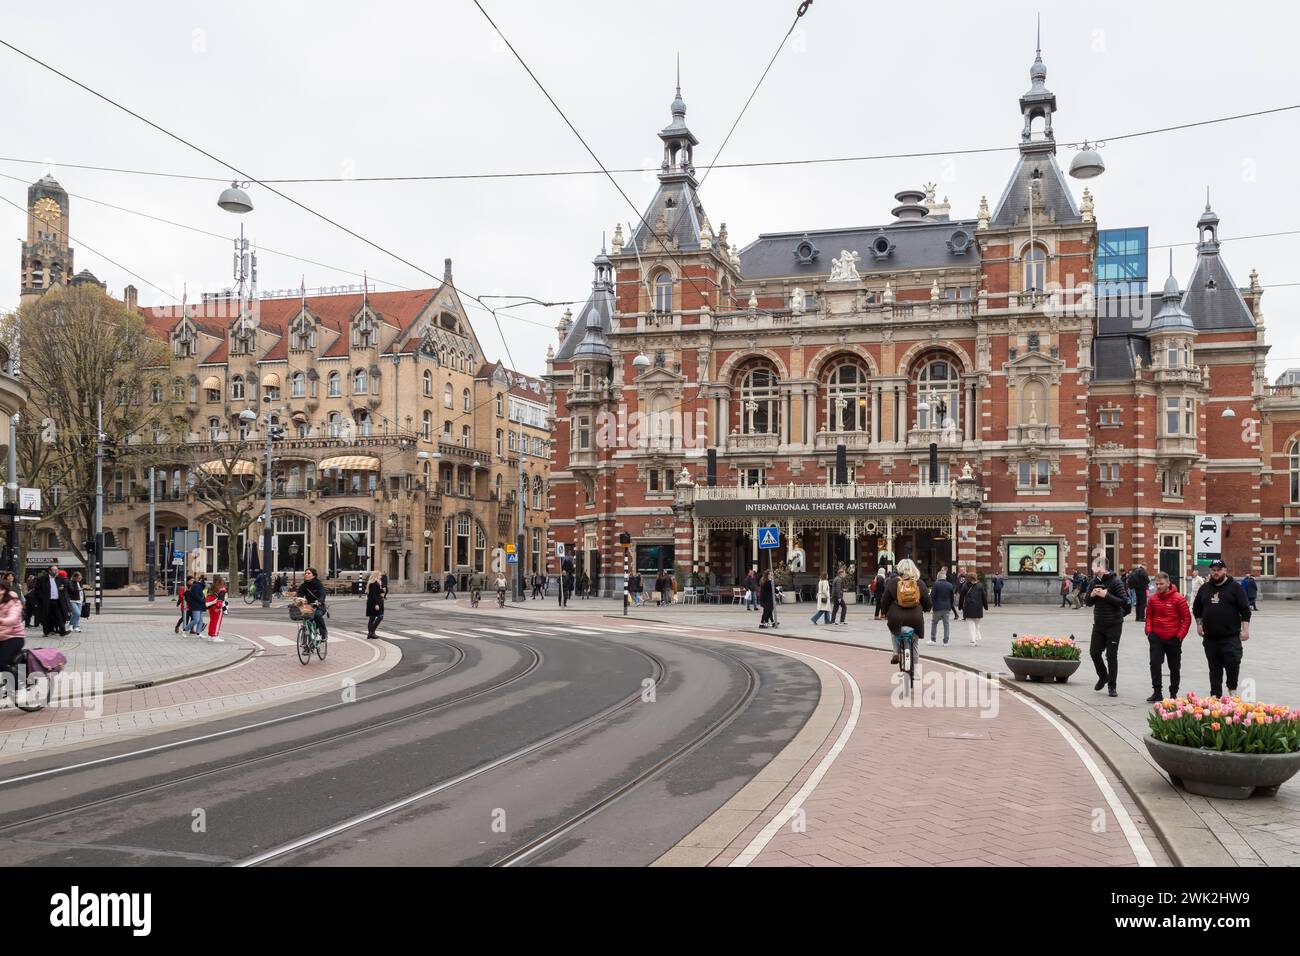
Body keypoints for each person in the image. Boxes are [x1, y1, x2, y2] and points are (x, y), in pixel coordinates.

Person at [1191, 559, 1251, 698]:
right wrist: (1199, 625)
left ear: (1225, 570)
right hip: (1211, 638)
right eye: (1213, 570)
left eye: (1219, 570)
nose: (1216, 572)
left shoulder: (1235, 587)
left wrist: (1245, 630)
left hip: (1230, 636)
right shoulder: (1204, 588)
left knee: (1233, 664)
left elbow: (1245, 610)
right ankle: (1215, 696)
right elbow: (1197, 608)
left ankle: (1232, 690)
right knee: (1214, 668)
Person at [1085, 558, 1131, 698]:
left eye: (1095, 566)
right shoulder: (1093, 582)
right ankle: (1103, 676)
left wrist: (1106, 595)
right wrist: (1092, 595)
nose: (1093, 568)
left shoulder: (1116, 581)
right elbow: (1087, 603)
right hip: (1098, 624)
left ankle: (1112, 686)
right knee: (1094, 652)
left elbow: (1124, 602)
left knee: (1111, 656)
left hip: (1114, 624)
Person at [1144, 571, 1190, 702]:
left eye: (1161, 584)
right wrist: (1149, 632)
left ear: (1168, 583)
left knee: (1174, 667)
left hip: (1173, 638)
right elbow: (1149, 617)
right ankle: (1157, 691)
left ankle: (1173, 693)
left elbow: (1186, 619)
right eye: (1156, 583)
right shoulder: (1153, 599)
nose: (1158, 586)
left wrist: (1179, 636)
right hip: (1156, 637)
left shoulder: (1178, 599)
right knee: (1154, 664)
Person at [878, 558, 932, 664]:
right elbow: (927, 602)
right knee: (915, 643)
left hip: (896, 618)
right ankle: (915, 671)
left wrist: (884, 612)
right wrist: (926, 608)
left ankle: (895, 653)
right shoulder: (919, 583)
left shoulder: (893, 582)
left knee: (894, 631)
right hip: (915, 618)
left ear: (899, 569)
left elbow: (884, 600)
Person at [35, 564, 70, 636]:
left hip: (57, 601)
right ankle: (46, 632)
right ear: (49, 571)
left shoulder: (60, 579)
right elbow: (37, 590)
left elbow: (65, 588)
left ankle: (62, 631)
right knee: (46, 616)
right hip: (47, 601)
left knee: (59, 616)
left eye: (57, 570)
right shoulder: (42, 579)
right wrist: (42, 598)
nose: (56, 571)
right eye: (54, 570)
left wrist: (62, 589)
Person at [0, 584, 25, 682]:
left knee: (1, 664)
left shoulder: (14, 602)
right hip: (1, 636)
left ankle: (20, 681)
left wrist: (1, 621)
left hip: (14, 637)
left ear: (2, 590)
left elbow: (13, 619)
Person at [298, 567, 328, 643]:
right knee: (306, 621)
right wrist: (297, 602)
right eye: (305, 573)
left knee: (317, 615)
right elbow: (300, 595)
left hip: (319, 605)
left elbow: (322, 593)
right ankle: (306, 646)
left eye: (309, 573)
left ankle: (323, 633)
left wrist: (320, 601)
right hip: (309, 606)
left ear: (314, 575)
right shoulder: (303, 585)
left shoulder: (318, 584)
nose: (306, 575)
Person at [961, 570, 988, 645]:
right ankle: (976, 637)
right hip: (978, 609)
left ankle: (973, 640)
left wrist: (960, 606)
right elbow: (984, 597)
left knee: (971, 625)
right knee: (976, 624)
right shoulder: (980, 585)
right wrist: (986, 606)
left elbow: (961, 597)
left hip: (969, 608)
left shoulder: (965, 586)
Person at [929, 571, 955, 645]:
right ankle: (946, 641)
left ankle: (933, 639)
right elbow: (952, 598)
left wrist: (931, 605)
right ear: (945, 577)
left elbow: (932, 596)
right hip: (946, 607)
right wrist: (950, 606)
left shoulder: (935, 584)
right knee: (946, 624)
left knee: (934, 623)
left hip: (937, 607)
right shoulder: (950, 585)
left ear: (938, 577)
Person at [204, 574, 228, 642]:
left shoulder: (211, 587)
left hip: (210, 606)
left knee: (212, 621)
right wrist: (218, 607)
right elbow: (220, 599)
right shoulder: (222, 589)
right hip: (217, 606)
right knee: (217, 622)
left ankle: (210, 635)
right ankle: (215, 636)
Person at [365, 569, 385, 639]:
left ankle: (370, 633)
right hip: (375, 603)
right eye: (379, 575)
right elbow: (373, 595)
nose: (381, 576)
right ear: (376, 576)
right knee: (380, 617)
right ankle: (371, 632)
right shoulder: (373, 584)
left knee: (372, 618)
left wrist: (382, 591)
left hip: (374, 602)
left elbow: (380, 593)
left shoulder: (378, 583)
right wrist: (376, 604)